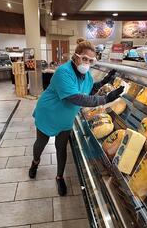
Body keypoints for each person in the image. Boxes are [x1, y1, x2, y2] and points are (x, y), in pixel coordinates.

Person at [29, 39, 124, 196]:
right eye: (84, 58)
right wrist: (106, 99)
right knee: (41, 143)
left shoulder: (86, 76)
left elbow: (89, 90)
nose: (87, 63)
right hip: (48, 113)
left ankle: (59, 177)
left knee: (61, 148)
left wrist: (105, 81)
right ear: (76, 56)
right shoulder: (63, 72)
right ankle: (35, 162)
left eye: (90, 60)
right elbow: (78, 98)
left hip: (66, 117)